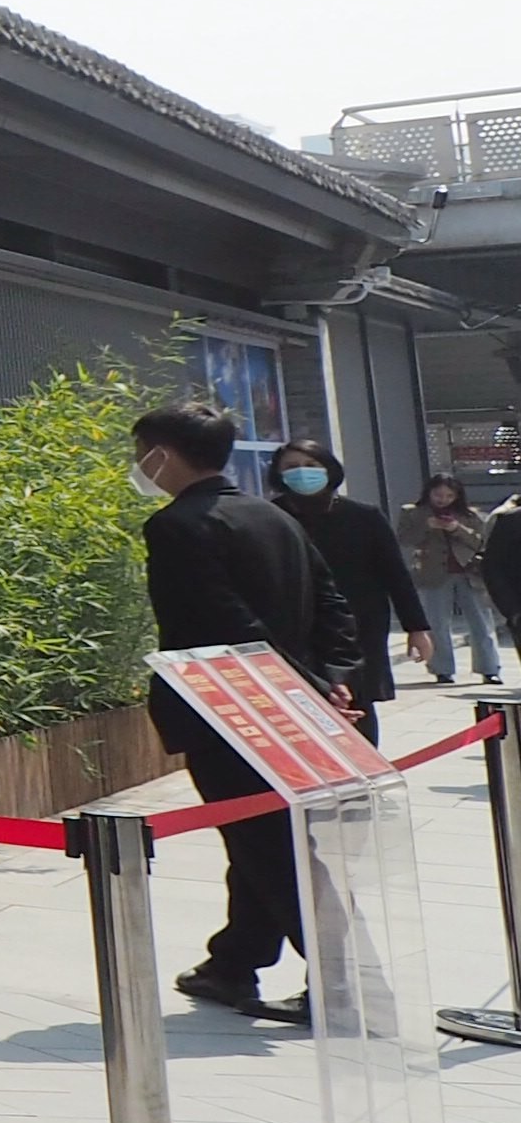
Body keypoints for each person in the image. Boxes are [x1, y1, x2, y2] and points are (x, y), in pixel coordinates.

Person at [132, 399, 350, 1019]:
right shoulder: (272, 515)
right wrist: (333, 679)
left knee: (271, 847)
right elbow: (331, 603)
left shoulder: (176, 526)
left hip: (230, 707)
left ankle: (344, 982)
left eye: (141, 454)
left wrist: (308, 684)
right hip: (285, 704)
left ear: (162, 455)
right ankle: (234, 962)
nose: (139, 466)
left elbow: (222, 623)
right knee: (259, 838)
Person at [265, 439, 423, 719]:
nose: (302, 472)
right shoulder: (270, 517)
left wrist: (417, 627)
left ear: (329, 469)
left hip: (360, 624)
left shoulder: (363, 516)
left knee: (358, 703)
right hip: (298, 628)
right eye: (291, 467)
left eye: (311, 465)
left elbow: (395, 574)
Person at [397, 473, 502, 689]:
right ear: (429, 492)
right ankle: (442, 669)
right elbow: (404, 539)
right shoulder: (413, 512)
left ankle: (489, 669)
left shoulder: (469, 514)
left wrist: (456, 528)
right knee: (437, 623)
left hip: (468, 571)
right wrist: (427, 526)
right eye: (438, 495)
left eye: (449, 496)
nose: (443, 500)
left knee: (481, 622)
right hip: (432, 572)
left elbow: (479, 541)